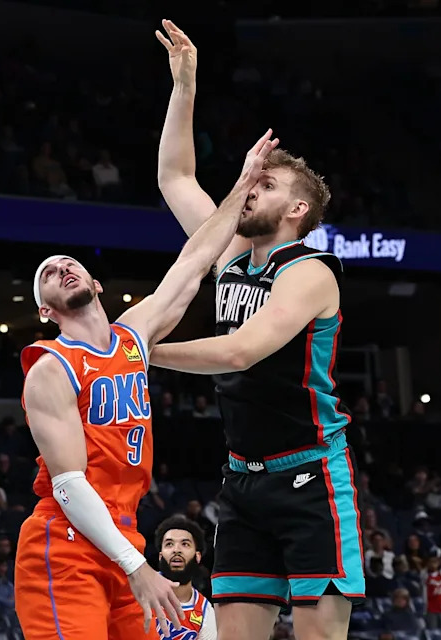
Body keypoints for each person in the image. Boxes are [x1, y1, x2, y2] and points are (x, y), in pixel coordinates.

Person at [14, 130, 279, 640]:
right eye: (48, 273)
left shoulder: (133, 336)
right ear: (45, 310)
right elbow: (69, 485)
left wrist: (243, 183)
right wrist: (137, 567)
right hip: (66, 542)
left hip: (125, 536)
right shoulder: (51, 366)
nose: (62, 267)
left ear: (95, 284)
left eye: (70, 263)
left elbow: (195, 260)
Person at [153, 20, 362, 640]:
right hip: (242, 478)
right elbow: (175, 179)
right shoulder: (230, 255)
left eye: (265, 185)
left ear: (297, 210)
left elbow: (242, 351)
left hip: (311, 476)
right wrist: (184, 86)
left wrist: (136, 351)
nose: (249, 190)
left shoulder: (312, 272)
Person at [154, 515, 217, 640]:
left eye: (185, 544)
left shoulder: (205, 611)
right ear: (160, 556)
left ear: (197, 556)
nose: (176, 550)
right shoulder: (140, 591)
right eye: (169, 544)